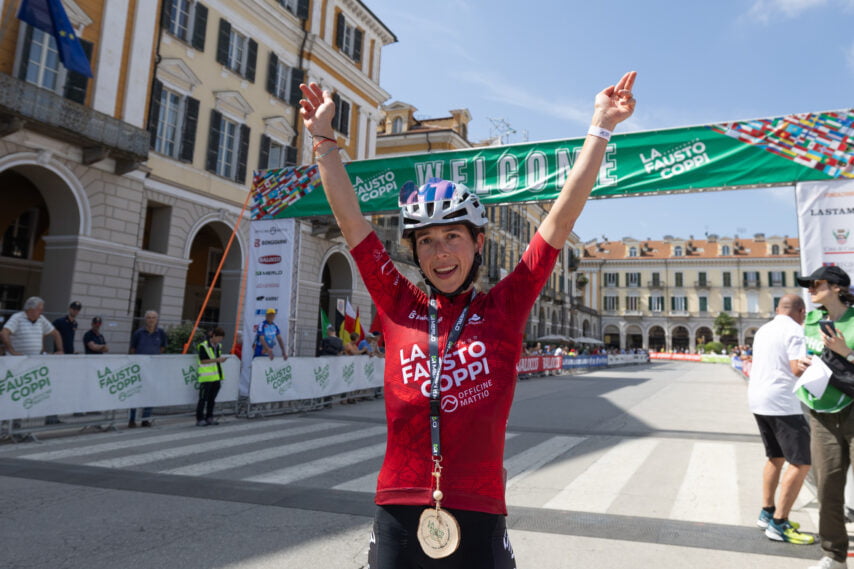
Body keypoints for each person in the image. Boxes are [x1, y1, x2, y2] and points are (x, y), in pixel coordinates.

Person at [299, 71, 636, 567]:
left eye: (453, 237)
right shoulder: (399, 304)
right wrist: (324, 139)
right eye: (427, 241)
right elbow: (352, 222)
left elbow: (560, 219)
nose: (440, 253)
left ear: (478, 243)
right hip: (398, 504)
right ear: (415, 251)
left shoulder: (505, 305)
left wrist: (601, 128)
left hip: (478, 509)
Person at [795, 266, 854, 569]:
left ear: (837, 287)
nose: (810, 289)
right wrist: (803, 365)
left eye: (816, 284)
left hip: (853, 410)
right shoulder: (813, 320)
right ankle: (834, 556)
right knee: (828, 489)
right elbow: (807, 357)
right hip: (821, 414)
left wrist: (846, 352)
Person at [747, 294, 814, 544]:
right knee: (801, 462)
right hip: (782, 403)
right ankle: (779, 523)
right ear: (801, 312)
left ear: (778, 309)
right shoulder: (795, 330)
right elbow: (796, 368)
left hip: (758, 399)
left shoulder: (764, 329)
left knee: (775, 457)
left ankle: (766, 512)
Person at [128, 310, 167, 428]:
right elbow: (133, 349)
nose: (151, 320)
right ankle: (132, 419)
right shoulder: (138, 333)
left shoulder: (161, 333)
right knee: (136, 393)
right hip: (140, 369)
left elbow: (162, 348)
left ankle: (145, 419)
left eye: (153, 318)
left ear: (156, 320)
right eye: (149, 318)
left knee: (150, 393)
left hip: (153, 369)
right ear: (145, 319)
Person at [196, 327, 227, 427]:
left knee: (212, 399)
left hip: (216, 376)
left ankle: (209, 417)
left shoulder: (218, 346)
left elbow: (216, 361)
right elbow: (202, 360)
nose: (220, 340)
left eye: (221, 338)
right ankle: (200, 418)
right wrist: (217, 360)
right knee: (202, 399)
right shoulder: (203, 346)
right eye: (218, 338)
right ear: (213, 335)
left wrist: (219, 360)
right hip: (206, 377)